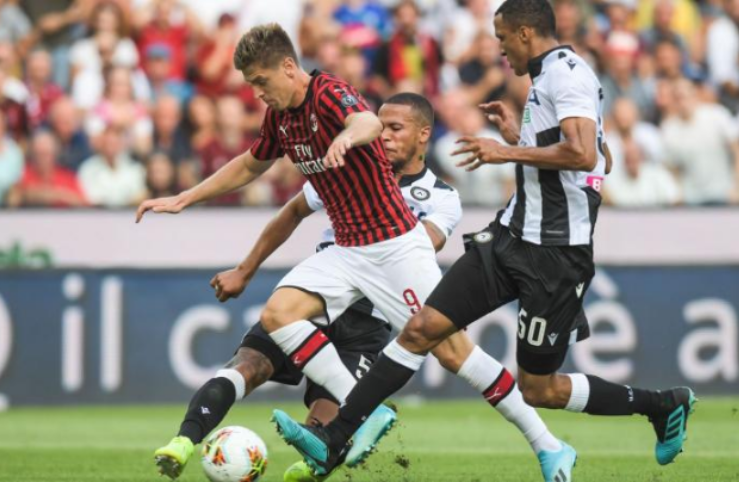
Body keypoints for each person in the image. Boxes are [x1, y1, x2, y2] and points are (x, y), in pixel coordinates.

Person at [273, 1, 697, 479]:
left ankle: (661, 404)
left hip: (556, 253)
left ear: (524, 33)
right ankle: (334, 437)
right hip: (510, 235)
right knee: (421, 328)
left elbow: (584, 154)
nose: (499, 49)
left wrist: (505, 151)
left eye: (502, 38)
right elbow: (595, 151)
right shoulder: (547, 76)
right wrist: (521, 137)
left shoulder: (567, 74)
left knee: (539, 388)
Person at [138, 24, 569, 481]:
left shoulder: (326, 92)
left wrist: (347, 136)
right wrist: (186, 197)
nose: (257, 92)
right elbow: (249, 165)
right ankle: (367, 410)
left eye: (261, 81)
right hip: (346, 250)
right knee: (278, 314)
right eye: (251, 84)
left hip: (395, 248)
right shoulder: (280, 118)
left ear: (288, 66)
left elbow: (367, 121)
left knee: (455, 354)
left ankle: (549, 445)